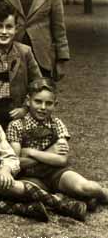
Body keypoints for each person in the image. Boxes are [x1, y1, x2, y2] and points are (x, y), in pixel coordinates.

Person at [0, 77, 87, 221]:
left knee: (0, 179)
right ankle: (25, 209)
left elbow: (10, 156)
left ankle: (59, 203)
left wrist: (6, 170)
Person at [8, 79, 108, 207]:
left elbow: (62, 160)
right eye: (38, 101)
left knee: (89, 188)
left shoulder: (57, 124)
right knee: (21, 192)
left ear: (55, 104)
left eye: (49, 103)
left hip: (56, 173)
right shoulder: (16, 125)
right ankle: (72, 200)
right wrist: (50, 153)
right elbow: (16, 162)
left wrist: (30, 152)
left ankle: (101, 195)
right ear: (28, 101)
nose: (43, 107)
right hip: (28, 177)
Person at [0, 1, 41, 129]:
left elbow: (37, 84)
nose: (4, 32)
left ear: (16, 28)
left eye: (9, 27)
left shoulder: (25, 52)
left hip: (16, 111)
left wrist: (25, 108)